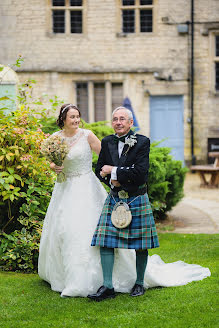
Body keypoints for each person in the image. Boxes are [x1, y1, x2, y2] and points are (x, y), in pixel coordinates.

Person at [38, 104, 210, 298]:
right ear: (63, 119)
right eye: (115, 119)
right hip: (86, 191)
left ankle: (138, 282)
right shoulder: (100, 140)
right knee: (103, 240)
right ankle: (107, 286)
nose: (118, 123)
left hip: (124, 194)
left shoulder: (140, 141)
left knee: (139, 243)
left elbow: (134, 170)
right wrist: (57, 165)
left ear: (130, 122)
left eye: (122, 119)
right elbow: (101, 167)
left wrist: (116, 173)